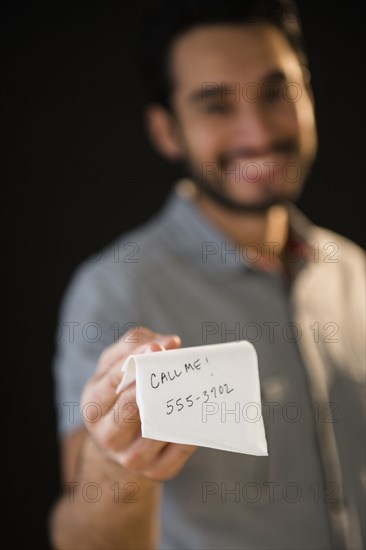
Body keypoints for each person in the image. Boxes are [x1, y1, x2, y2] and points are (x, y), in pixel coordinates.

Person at [49, 1, 365, 549]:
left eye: (275, 92)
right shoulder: (115, 291)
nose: (258, 131)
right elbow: (82, 539)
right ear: (168, 131)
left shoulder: (354, 272)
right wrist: (116, 460)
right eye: (216, 106)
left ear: (307, 94)